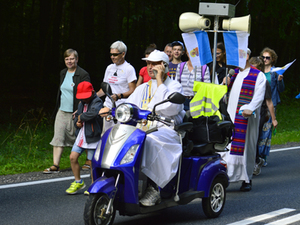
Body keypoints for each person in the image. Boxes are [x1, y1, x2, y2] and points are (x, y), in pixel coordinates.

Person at [99, 50, 185, 206]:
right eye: (148, 63)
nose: (150, 67)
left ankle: (154, 189)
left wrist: (159, 80)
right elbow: (129, 105)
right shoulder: (143, 87)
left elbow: (170, 108)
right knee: (117, 136)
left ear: (164, 66)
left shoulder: (174, 86)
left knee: (149, 141)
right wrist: (112, 110)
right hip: (140, 128)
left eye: (154, 64)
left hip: (165, 130)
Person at [221, 48, 266, 191]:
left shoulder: (258, 75)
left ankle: (247, 179)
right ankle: (227, 175)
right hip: (231, 116)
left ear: (246, 56)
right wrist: (224, 84)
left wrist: (251, 108)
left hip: (247, 117)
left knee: (247, 147)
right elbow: (222, 95)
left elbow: (259, 95)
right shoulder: (233, 75)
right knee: (229, 145)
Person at [43, 49, 91, 174]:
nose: (69, 61)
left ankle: (89, 161)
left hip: (77, 111)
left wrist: (80, 110)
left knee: (82, 135)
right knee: (58, 135)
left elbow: (87, 94)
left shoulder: (83, 74)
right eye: (67, 59)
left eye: (72, 58)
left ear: (77, 59)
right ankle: (55, 165)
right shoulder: (63, 73)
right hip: (62, 110)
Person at [65, 81, 103, 194]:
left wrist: (81, 117)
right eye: (82, 97)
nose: (84, 100)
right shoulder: (81, 102)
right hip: (82, 135)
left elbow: (93, 113)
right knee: (73, 157)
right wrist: (77, 122)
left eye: (86, 97)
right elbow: (77, 116)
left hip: (92, 136)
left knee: (91, 162)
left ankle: (93, 184)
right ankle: (78, 181)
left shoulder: (97, 101)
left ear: (92, 92)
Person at [96, 41, 136, 132]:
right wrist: (93, 96)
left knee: (119, 134)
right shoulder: (109, 68)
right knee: (107, 134)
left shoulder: (129, 69)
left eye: (115, 54)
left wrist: (119, 96)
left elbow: (133, 90)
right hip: (108, 107)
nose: (112, 57)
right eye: (111, 54)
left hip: (122, 109)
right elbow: (104, 89)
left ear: (123, 54)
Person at [249, 56, 278, 175]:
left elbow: (269, 102)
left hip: (260, 113)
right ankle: (252, 161)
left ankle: (256, 161)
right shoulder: (245, 79)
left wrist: (274, 119)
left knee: (254, 138)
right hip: (246, 112)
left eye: (255, 69)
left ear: (259, 69)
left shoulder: (264, 82)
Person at [259, 47, 285, 166]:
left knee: (266, 131)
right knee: (258, 131)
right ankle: (256, 155)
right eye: (263, 57)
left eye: (267, 57)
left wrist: (280, 80)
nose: (265, 59)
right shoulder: (258, 71)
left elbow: (281, 90)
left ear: (272, 59)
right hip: (258, 104)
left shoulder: (275, 72)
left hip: (271, 104)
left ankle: (263, 156)